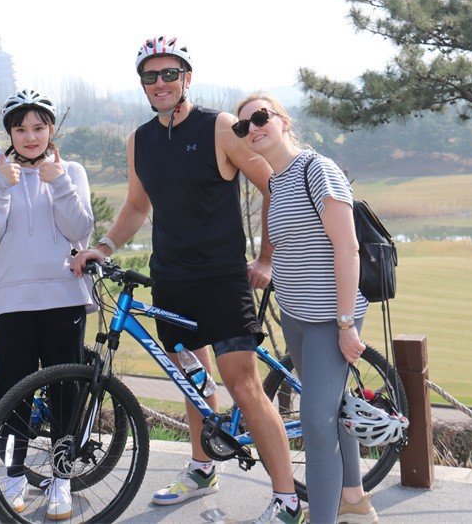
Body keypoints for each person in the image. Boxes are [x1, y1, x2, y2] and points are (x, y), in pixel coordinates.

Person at [70, 36, 305, 523]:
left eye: (169, 74)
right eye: (150, 76)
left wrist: (265, 259)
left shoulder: (218, 127)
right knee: (193, 381)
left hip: (222, 279)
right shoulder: (139, 140)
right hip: (171, 281)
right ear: (142, 83)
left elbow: (273, 183)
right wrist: (104, 247)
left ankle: (288, 501)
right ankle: (202, 469)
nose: (160, 83)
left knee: (243, 386)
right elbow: (137, 205)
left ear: (187, 78)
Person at [234, 93, 376, 524]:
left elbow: (347, 247)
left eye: (260, 117)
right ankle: (354, 499)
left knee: (315, 422)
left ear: (284, 121)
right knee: (333, 408)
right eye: (242, 126)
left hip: (330, 318)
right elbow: (289, 247)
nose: (252, 128)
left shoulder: (318, 169)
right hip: (296, 315)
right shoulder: (277, 182)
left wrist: (346, 324)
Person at [0, 88, 94, 520]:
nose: (29, 137)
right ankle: (13, 475)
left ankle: (62, 477)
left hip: (63, 296)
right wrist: (1, 186)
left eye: (38, 128)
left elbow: (80, 229)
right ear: (9, 133)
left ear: (50, 130)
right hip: (10, 300)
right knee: (13, 392)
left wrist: (58, 182)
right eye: (20, 129)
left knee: (65, 391)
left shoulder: (71, 171)